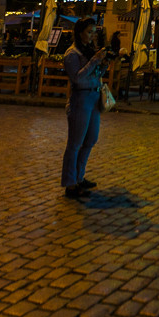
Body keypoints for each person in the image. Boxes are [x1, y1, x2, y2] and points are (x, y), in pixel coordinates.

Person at [61, 18, 108, 200]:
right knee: (75, 143)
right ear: (80, 32)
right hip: (80, 99)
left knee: (91, 139)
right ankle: (70, 183)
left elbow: (94, 74)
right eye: (89, 32)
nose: (92, 35)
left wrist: (103, 65)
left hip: (94, 97)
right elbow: (77, 78)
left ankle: (79, 177)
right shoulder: (72, 54)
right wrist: (94, 61)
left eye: (93, 32)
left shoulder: (88, 51)